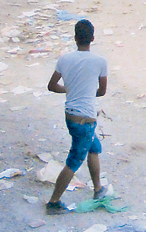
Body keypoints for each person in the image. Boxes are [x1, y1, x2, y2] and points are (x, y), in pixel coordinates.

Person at [45, 20, 109, 215]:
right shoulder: (100, 62)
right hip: (86, 118)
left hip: (71, 115)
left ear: (75, 38)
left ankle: (98, 188)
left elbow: (52, 85)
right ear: (92, 38)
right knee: (74, 160)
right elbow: (102, 91)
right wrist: (86, 92)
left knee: (94, 147)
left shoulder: (64, 60)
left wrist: (71, 90)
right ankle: (54, 201)